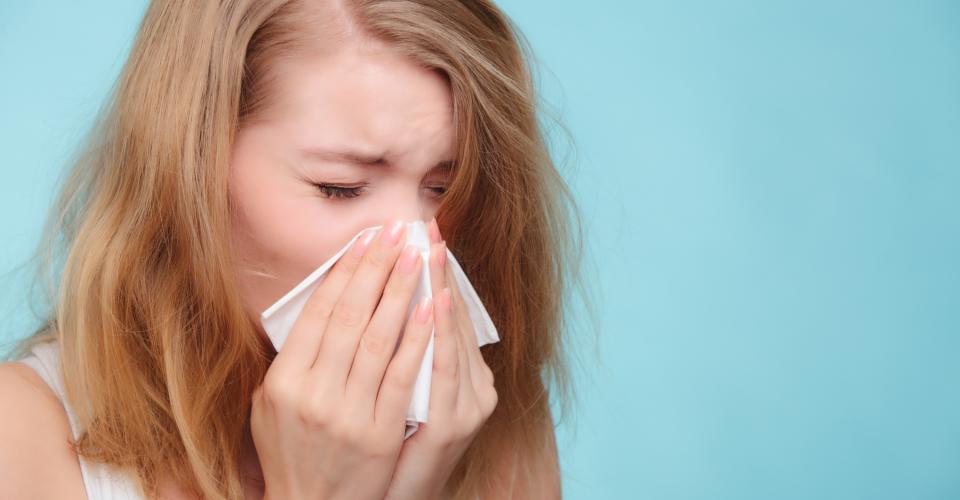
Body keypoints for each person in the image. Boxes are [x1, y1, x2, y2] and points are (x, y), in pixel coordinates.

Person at [0, 0, 585, 498]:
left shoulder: (488, 417)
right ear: (190, 174)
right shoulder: (21, 437)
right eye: (340, 187)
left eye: (443, 188)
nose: (416, 243)